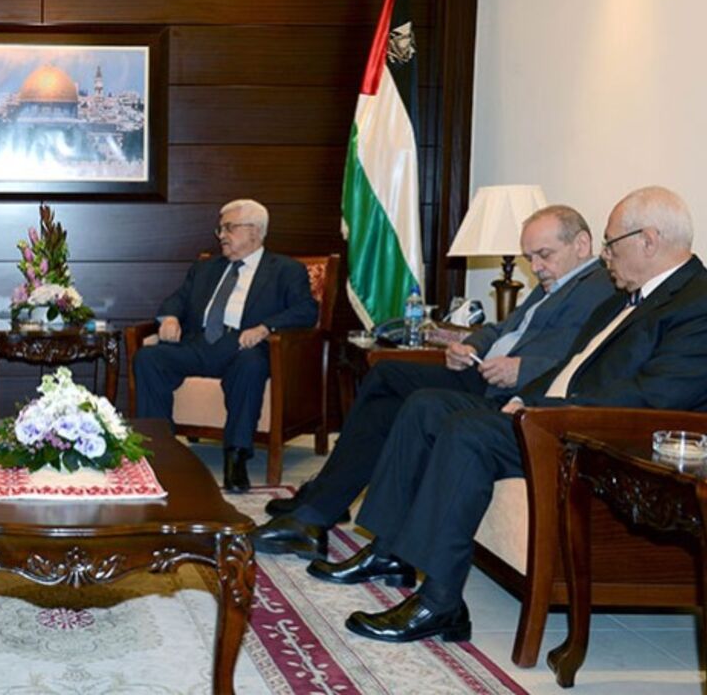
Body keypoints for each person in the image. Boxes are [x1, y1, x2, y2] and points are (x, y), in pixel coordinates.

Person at [320, 186, 707, 644]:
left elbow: (655, 399)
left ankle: (441, 603)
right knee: (426, 403)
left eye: (611, 243)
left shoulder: (694, 304)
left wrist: (543, 408)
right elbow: (572, 365)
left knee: (467, 432)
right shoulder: (623, 298)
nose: (606, 256)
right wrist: (532, 398)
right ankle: (389, 549)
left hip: (585, 433)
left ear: (649, 239)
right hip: (552, 414)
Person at [252, 205, 614, 558]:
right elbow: (503, 328)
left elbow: (584, 358)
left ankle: (320, 505)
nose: (536, 267)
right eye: (529, 257)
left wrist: (523, 368)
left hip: (510, 388)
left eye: (543, 255)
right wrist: (470, 344)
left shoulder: (600, 288)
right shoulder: (553, 282)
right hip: (482, 372)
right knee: (385, 380)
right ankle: (320, 508)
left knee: (393, 388)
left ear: (581, 244)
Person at [133, 198, 318, 492]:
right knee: (149, 358)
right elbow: (178, 298)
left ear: (255, 232)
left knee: (252, 364)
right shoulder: (206, 267)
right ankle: (160, 450)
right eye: (220, 228)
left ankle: (236, 455)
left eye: (229, 228)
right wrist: (169, 317)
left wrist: (265, 327)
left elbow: (306, 311)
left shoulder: (285, 269)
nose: (221, 235)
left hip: (242, 347)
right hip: (199, 343)